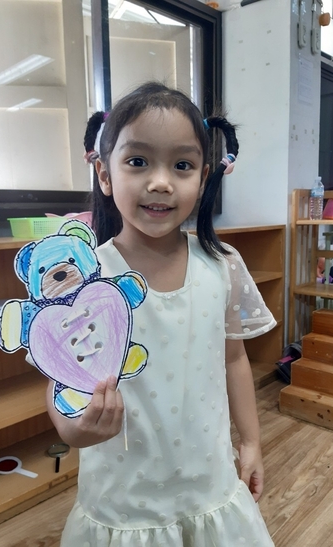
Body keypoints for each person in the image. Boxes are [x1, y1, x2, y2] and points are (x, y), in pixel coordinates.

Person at [46, 81, 276, 546]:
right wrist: (72, 428)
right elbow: (60, 375)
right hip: (122, 495)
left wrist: (251, 441)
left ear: (204, 177)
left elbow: (233, 358)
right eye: (138, 161)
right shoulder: (81, 276)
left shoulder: (222, 265)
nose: (160, 182)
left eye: (182, 165)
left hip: (208, 482)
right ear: (104, 175)